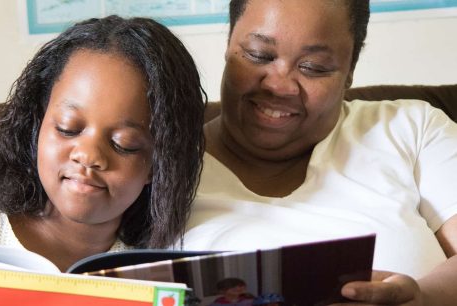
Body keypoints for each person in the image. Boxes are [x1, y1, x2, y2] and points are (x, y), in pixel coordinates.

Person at [183, 0, 457, 305]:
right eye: (259, 55)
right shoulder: (157, 165)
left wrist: (423, 297)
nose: (279, 85)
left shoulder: (411, 128)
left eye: (313, 68)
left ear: (350, 70)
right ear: (229, 44)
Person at [0, 15, 206, 272]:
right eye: (68, 129)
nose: (88, 156)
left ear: (158, 164)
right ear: (37, 126)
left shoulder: (151, 270)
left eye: (124, 144)